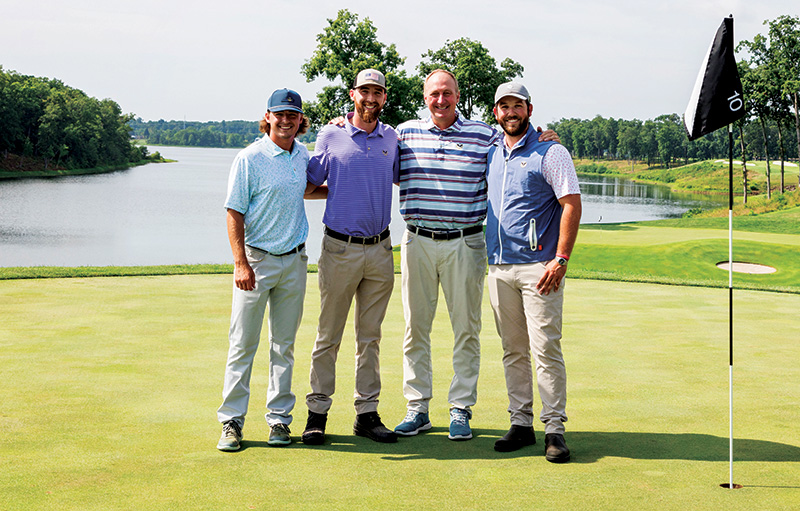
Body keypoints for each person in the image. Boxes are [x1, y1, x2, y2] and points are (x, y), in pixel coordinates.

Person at [393, 70, 559, 441]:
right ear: (425, 97)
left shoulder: (485, 135)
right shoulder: (403, 133)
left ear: (457, 95)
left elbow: (520, 137)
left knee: (466, 330)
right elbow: (371, 147)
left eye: (448, 93)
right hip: (417, 240)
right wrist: (341, 122)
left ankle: (460, 408)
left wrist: (547, 136)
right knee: (414, 328)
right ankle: (417, 407)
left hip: (465, 242)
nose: (441, 100)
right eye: (434, 93)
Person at [216, 88, 324, 451]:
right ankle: (231, 421)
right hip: (256, 262)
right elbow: (234, 211)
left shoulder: (301, 154)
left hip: (294, 261)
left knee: (284, 346)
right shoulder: (250, 158)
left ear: (300, 120)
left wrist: (341, 187)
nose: (286, 120)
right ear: (268, 117)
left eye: (293, 115)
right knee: (243, 344)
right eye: (280, 115)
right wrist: (240, 263)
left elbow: (303, 189)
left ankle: (279, 421)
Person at [301, 69, 400, 445]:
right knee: (329, 335)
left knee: (370, 338)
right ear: (353, 94)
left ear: (384, 98)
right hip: (339, 249)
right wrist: (338, 192)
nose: (371, 98)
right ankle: (317, 413)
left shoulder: (391, 137)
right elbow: (308, 184)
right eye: (365, 91)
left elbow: (403, 176)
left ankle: (367, 414)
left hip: (380, 250)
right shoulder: (331, 134)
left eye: (378, 92)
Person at [486, 82, 581, 463]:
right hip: (498, 266)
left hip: (540, 267)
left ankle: (554, 428)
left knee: (545, 349)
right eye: (504, 106)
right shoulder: (490, 151)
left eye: (517, 106)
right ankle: (521, 423)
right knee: (513, 350)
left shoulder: (551, 151)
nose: (511, 112)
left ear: (529, 108)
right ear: (497, 112)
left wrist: (560, 259)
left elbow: (571, 205)